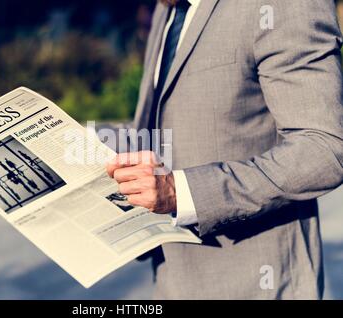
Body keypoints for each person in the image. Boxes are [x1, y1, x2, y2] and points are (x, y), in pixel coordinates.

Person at [106, 0, 343, 299]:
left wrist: (181, 191)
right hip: (172, 279)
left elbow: (323, 148)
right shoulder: (167, 9)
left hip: (257, 287)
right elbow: (169, 123)